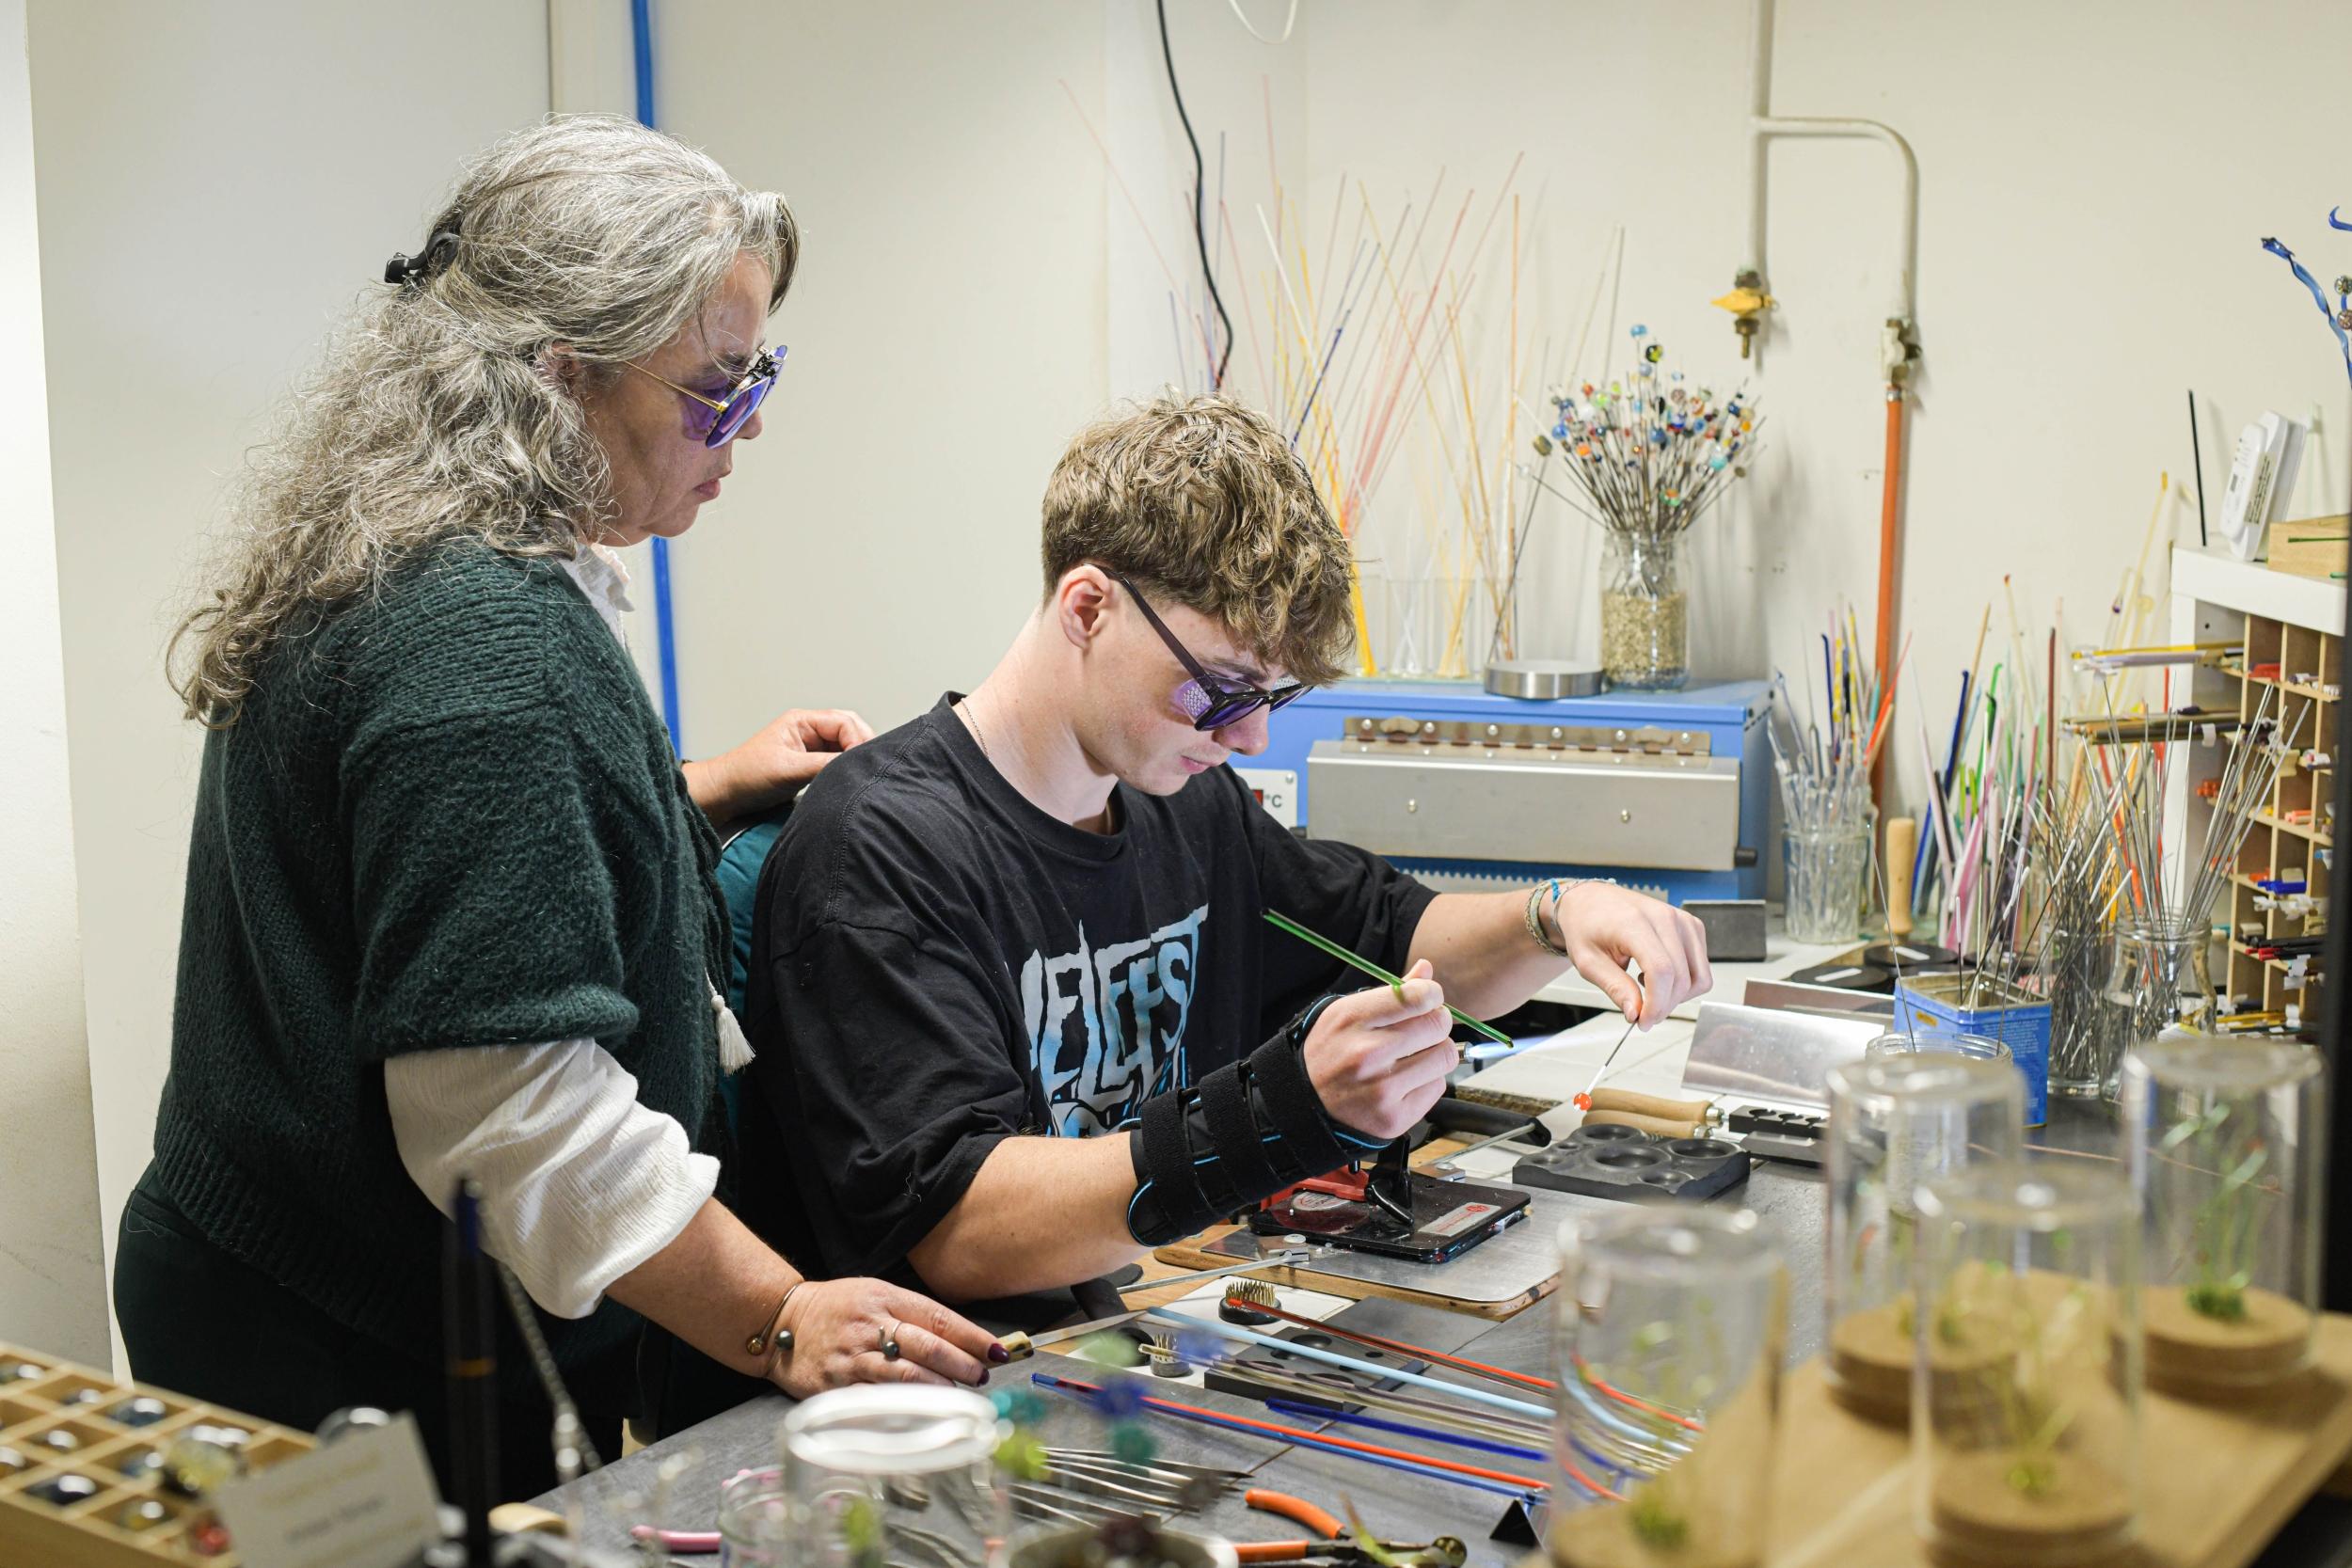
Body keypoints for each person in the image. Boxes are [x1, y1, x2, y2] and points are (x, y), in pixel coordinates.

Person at [115, 117, 1001, 1502]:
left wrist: (684, 793)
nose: (750, 420)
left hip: (293, 1271)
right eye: (718, 383)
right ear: (560, 375)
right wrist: (779, 1312)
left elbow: (411, 864)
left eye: (759, 370)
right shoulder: (481, 653)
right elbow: (511, 1112)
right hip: (336, 1351)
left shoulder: (433, 543)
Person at [736, 392, 1713, 1307]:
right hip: (921, 1413)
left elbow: (1395, 935)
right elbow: (960, 1227)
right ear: (1087, 607)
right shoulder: (879, 849)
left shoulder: (1182, 801)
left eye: (1272, 699)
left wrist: (1555, 913)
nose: (1249, 738)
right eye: (1223, 688)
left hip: (1112, 1334)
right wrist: (1282, 1109)